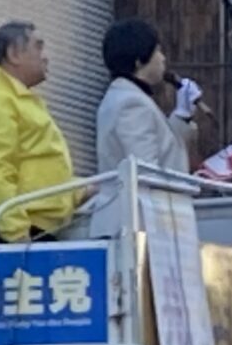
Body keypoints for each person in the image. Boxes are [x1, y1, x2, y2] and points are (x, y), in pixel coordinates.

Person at [0, 21, 78, 244]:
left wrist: (79, 191)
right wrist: (16, 232)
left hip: (27, 225)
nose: (46, 56)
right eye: (38, 47)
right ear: (13, 53)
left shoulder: (17, 100)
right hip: (13, 229)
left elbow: (35, 168)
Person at [84, 19, 204, 231]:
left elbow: (162, 147)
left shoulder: (129, 96)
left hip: (140, 222)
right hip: (137, 224)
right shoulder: (131, 103)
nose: (163, 58)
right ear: (139, 61)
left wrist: (183, 115)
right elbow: (145, 170)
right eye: (157, 51)